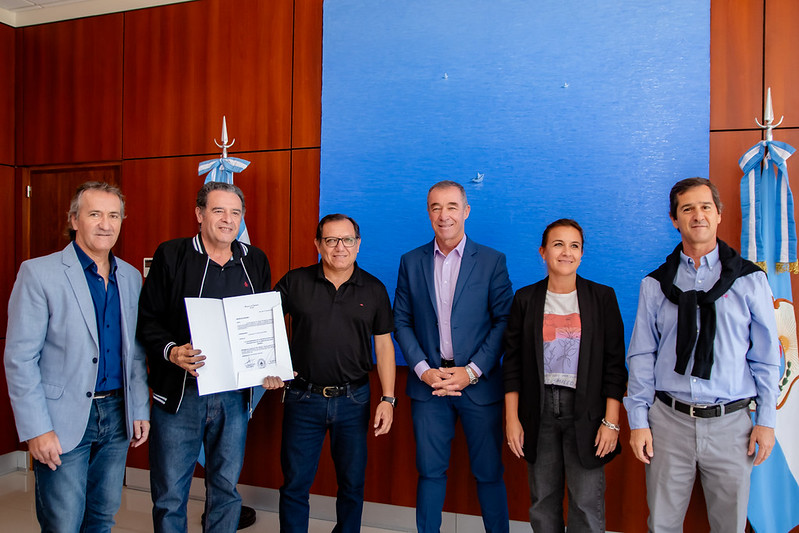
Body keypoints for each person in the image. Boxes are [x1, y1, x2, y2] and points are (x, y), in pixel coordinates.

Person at [625, 177, 781, 532]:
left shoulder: (749, 280)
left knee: (729, 526)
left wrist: (767, 420)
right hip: (668, 423)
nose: (698, 215)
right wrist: (638, 421)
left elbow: (766, 357)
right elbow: (642, 356)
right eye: (687, 209)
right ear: (674, 219)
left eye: (705, 207)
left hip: (732, 425)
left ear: (719, 214)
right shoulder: (655, 284)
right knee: (662, 525)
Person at [4, 181, 150, 532]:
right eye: (95, 214)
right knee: (64, 523)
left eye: (113, 215)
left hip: (117, 415)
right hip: (61, 419)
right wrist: (37, 429)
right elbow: (20, 359)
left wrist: (140, 408)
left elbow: (135, 353)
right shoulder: (38, 273)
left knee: (102, 518)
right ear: (74, 220)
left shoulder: (130, 277)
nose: (105, 224)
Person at [137, 181, 280, 533]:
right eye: (218, 211)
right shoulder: (172, 254)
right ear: (199, 214)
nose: (228, 219)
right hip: (181, 395)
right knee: (170, 494)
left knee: (226, 489)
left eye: (235, 212)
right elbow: (147, 320)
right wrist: (172, 351)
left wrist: (269, 365)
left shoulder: (255, 260)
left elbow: (262, 323)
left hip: (233, 396)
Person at [393, 180, 513, 533]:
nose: (443, 215)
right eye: (435, 207)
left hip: (479, 386)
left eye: (451, 207)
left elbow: (505, 321)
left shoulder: (491, 261)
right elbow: (401, 320)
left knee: (489, 473)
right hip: (429, 386)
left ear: (466, 211)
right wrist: (423, 370)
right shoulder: (411, 261)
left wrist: (472, 371)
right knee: (430, 473)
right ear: (428, 212)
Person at [274, 213, 396, 532]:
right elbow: (261, 324)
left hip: (353, 400)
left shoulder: (374, 289)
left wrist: (388, 399)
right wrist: (271, 366)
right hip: (303, 398)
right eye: (331, 240)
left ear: (358, 244)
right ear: (318, 244)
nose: (340, 247)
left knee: (352, 485)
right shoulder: (295, 282)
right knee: (295, 484)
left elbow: (384, 346)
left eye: (347, 240)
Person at [503, 219, 627, 532]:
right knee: (543, 502)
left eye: (574, 246)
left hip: (587, 411)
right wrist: (512, 418)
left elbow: (614, 364)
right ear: (543, 252)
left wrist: (611, 422)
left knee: (586, 503)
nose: (566, 252)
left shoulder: (602, 298)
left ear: (582, 254)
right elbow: (512, 364)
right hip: (539, 410)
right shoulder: (525, 299)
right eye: (558, 244)